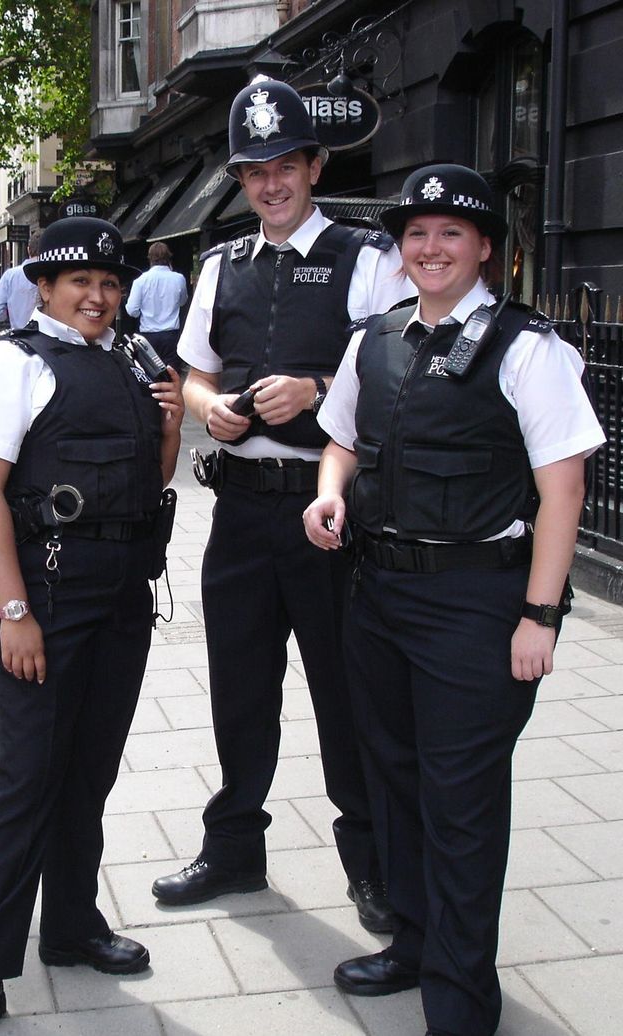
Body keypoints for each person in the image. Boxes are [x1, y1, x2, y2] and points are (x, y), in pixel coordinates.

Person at [303, 164, 605, 1036]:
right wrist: (328, 494)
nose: (430, 248)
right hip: (379, 595)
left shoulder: (530, 349)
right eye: (417, 234)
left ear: (484, 251)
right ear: (400, 251)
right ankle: (414, 941)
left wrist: (540, 616)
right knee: (392, 783)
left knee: (462, 803)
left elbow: (564, 492)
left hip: (478, 605)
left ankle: (463, 1002)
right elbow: (341, 443)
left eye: (450, 234)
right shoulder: (374, 339)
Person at [151, 77, 414, 930]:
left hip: (328, 513)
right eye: (254, 170)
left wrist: (319, 387)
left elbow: (399, 373)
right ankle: (234, 849)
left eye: (284, 166)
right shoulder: (220, 264)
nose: (269, 183)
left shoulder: (365, 260)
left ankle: (369, 861)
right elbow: (191, 375)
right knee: (238, 685)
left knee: (346, 691)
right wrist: (208, 409)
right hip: (240, 514)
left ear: (314, 164)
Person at [0, 217, 184, 1036]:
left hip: (120, 600)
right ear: (44, 287)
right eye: (81, 283)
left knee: (88, 775)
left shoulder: (125, 362)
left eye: (110, 284)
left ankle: (72, 926)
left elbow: (151, 478)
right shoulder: (13, 363)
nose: (99, 297)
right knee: (27, 785)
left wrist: (173, 420)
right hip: (46, 601)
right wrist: (13, 613)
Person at [125, 240, 188, 372]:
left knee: (150, 374)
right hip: (171, 335)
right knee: (171, 375)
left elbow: (132, 310)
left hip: (148, 336)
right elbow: (183, 301)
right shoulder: (179, 278)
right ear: (169, 258)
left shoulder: (140, 281)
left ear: (150, 259)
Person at [0, 229, 42, 331]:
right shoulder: (57, 274)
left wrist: (11, 314)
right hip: (51, 339)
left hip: (21, 335)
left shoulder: (10, 276)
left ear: (28, 250)